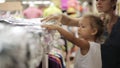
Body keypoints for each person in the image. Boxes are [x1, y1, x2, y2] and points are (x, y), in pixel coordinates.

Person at [41, 0, 120, 68]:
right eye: (97, 0)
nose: (98, 2)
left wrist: (58, 28)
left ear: (113, 2)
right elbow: (70, 21)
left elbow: (73, 39)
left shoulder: (115, 24)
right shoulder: (95, 21)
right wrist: (60, 16)